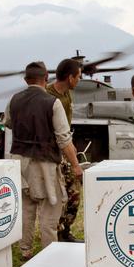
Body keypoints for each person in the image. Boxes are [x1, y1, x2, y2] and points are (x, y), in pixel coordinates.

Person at [4, 61, 83, 260]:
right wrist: (75, 165)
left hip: (20, 162)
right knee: (50, 209)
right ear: (46, 77)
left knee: (27, 208)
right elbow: (64, 139)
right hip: (45, 163)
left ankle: (26, 250)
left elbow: (7, 122)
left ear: (25, 79)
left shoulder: (13, 100)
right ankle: (49, 253)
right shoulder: (52, 103)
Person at [46, 58, 83, 243]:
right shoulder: (48, 96)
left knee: (74, 194)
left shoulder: (67, 94)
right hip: (52, 154)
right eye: (78, 77)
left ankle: (64, 231)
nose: (79, 81)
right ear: (70, 78)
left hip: (65, 150)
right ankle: (56, 233)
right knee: (58, 198)